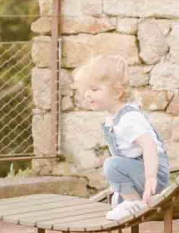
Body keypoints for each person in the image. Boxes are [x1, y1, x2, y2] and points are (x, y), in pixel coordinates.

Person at [72, 53, 170, 217]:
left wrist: (151, 178)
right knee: (115, 194)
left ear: (117, 92)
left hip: (153, 174)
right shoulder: (112, 117)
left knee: (112, 165)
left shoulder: (128, 119)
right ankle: (129, 200)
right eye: (86, 90)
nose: (87, 94)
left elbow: (149, 145)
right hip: (140, 171)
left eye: (94, 89)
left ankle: (134, 204)